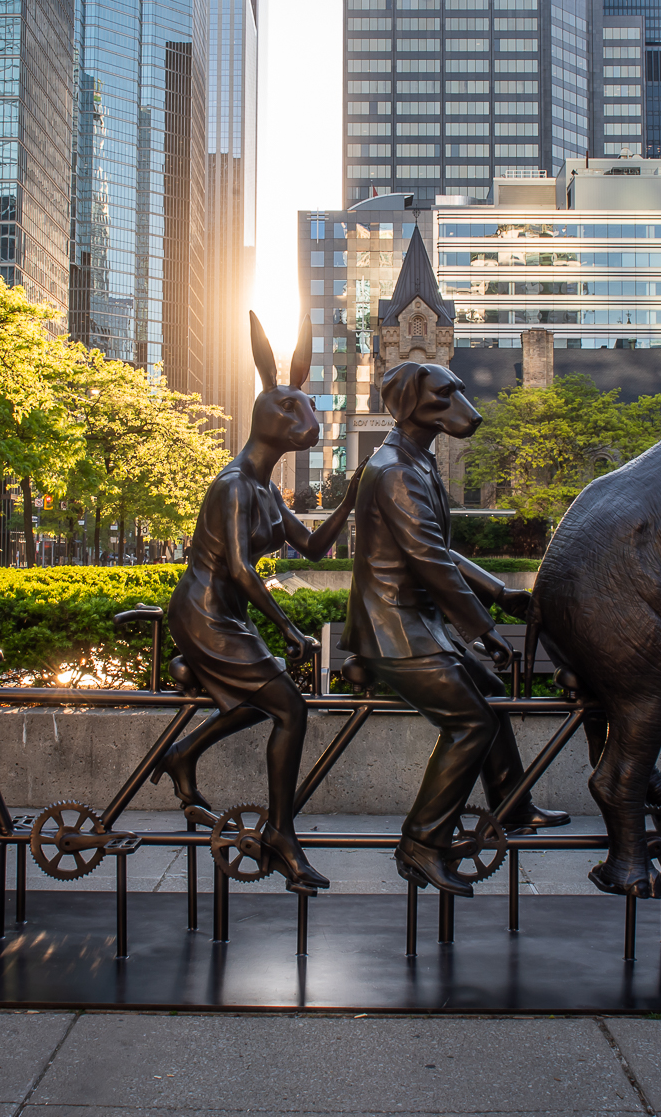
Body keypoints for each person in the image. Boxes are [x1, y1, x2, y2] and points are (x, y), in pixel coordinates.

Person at [343, 360, 568, 897]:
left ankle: (512, 806)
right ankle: (421, 843)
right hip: (393, 632)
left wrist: (499, 592)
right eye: (445, 397)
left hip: (418, 627)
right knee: (471, 724)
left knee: (490, 695)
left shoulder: (417, 461)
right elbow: (428, 560)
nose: (464, 408)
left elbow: (438, 548)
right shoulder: (396, 468)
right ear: (410, 404)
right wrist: (484, 629)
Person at [153, 313, 358, 894]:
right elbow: (241, 570)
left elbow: (315, 548)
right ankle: (282, 837)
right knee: (291, 710)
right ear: (265, 412)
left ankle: (183, 755)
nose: (305, 420)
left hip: (228, 615)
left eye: (305, 408)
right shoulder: (234, 485)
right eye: (289, 409)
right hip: (205, 613)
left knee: (261, 704)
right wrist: (289, 630)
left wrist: (350, 495)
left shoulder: (266, 489)